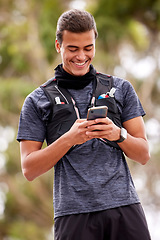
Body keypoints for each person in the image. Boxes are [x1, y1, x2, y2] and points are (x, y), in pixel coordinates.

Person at [17, 9, 151, 240]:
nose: (81, 56)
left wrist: (118, 134)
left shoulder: (121, 88)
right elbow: (29, 169)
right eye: (73, 49)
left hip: (124, 207)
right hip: (73, 214)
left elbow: (144, 154)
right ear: (58, 46)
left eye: (88, 48)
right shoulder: (37, 100)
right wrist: (69, 139)